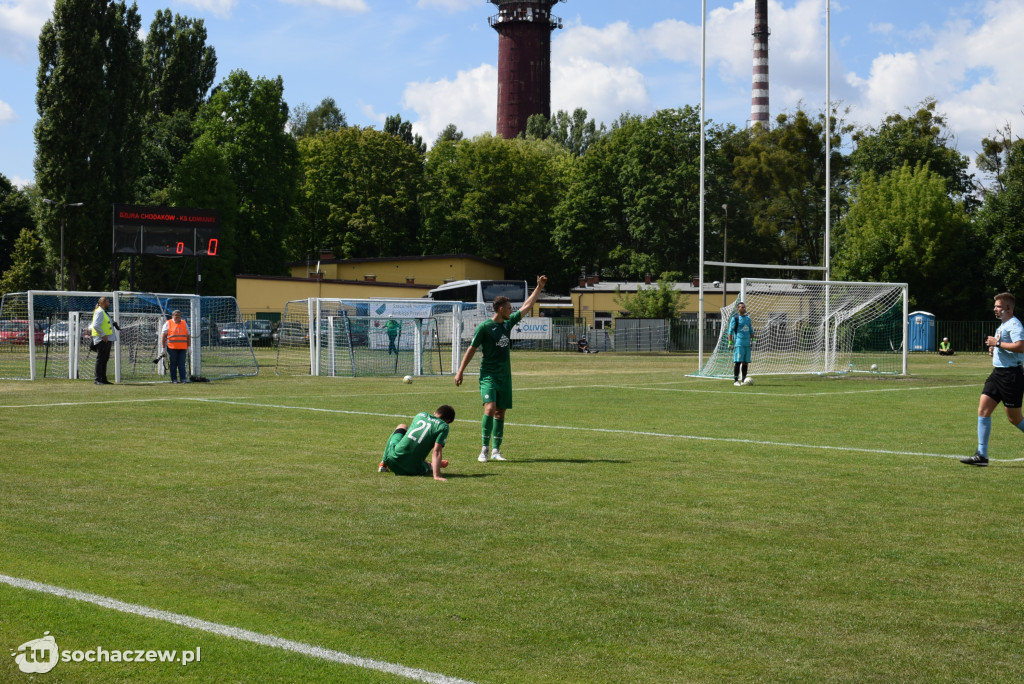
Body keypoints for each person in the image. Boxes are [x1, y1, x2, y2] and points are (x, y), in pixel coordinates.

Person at [455, 275, 548, 462]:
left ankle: (496, 451)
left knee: (500, 412)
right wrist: (460, 371)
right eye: (508, 308)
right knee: (489, 408)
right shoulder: (484, 327)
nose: (511, 310)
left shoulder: (507, 323)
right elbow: (471, 349)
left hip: (505, 376)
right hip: (488, 375)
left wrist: (539, 287)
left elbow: (526, 307)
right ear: (500, 309)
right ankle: (484, 450)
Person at [962, 292, 1024, 466]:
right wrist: (995, 350)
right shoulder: (1002, 326)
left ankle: (982, 454)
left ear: (1008, 308)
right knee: (983, 410)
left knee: (1015, 418)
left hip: (1011, 376)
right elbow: (1006, 348)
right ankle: (982, 455)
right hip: (998, 374)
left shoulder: (1014, 325)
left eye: (998, 306)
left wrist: (997, 344)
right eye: (995, 306)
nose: (995, 309)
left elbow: (1021, 346)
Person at [378, 405, 455, 481]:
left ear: (435, 412)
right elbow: (437, 451)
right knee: (426, 466)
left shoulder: (421, 415)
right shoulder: (443, 426)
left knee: (402, 426)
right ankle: (431, 465)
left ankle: (383, 464)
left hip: (392, 461)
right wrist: (437, 476)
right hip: (411, 470)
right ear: (447, 420)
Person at [89, 296, 117, 385]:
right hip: (102, 339)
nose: (109, 304)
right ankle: (97, 379)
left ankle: (103, 379)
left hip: (107, 338)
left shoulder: (104, 312)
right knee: (100, 359)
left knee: (105, 359)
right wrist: (103, 335)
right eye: (108, 302)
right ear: (103, 303)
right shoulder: (99, 312)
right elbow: (96, 325)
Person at [159, 310, 189, 383]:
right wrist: (163, 348)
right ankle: (174, 379)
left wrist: (189, 346)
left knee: (182, 363)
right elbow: (163, 335)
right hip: (172, 347)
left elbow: (188, 335)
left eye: (179, 315)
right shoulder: (168, 323)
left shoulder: (184, 323)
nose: (177, 317)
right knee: (173, 363)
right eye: (176, 315)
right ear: (172, 316)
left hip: (182, 347)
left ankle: (183, 378)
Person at [728, 301, 754, 386]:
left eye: (744, 307)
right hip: (739, 343)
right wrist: (730, 342)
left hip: (747, 344)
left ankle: (743, 380)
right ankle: (736, 381)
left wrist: (753, 340)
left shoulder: (748, 318)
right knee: (738, 362)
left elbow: (751, 330)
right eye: (742, 307)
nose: (744, 308)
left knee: (745, 362)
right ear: (738, 308)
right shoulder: (735, 318)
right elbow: (730, 331)